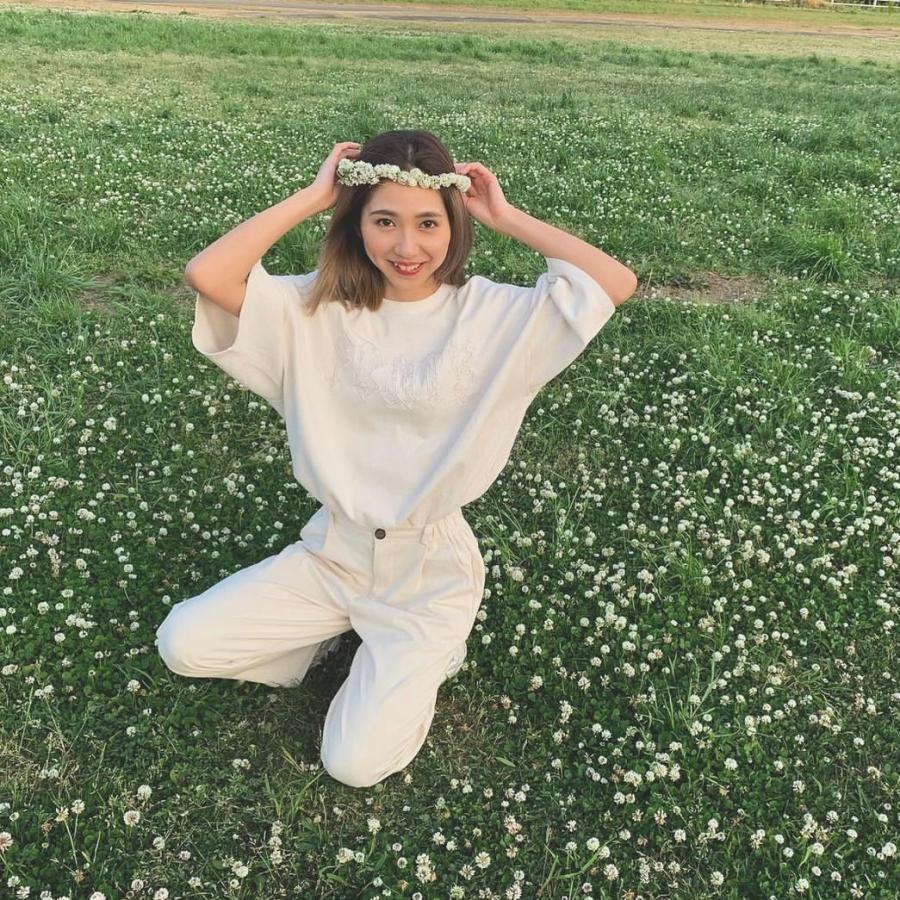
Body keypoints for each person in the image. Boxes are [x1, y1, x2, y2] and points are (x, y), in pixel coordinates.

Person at [154, 129, 637, 788]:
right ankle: (331, 634)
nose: (407, 247)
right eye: (384, 221)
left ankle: (429, 648)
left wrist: (506, 216)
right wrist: (314, 196)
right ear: (356, 225)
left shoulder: (494, 315)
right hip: (333, 554)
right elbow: (208, 275)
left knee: (352, 763)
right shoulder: (311, 309)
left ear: (454, 226)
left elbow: (614, 282)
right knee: (183, 643)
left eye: (428, 223)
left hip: (427, 571)